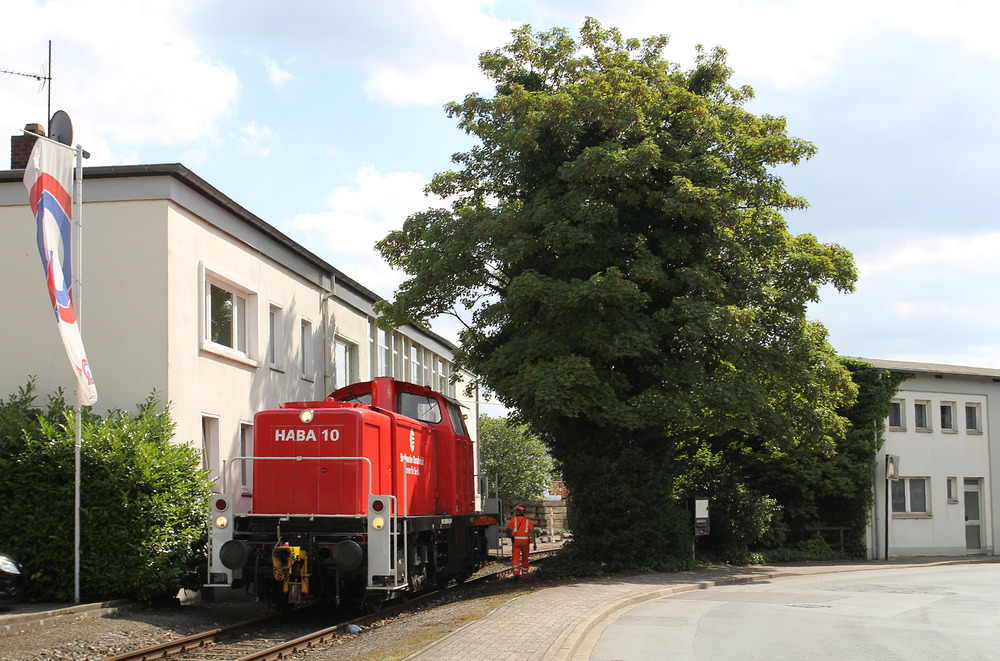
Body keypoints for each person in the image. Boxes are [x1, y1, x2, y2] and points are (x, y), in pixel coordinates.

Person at [506, 504, 537, 580]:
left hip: (516, 541)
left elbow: (508, 529)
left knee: (515, 558)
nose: (515, 512)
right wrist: (534, 543)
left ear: (518, 512)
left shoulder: (513, 520)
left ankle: (516, 574)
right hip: (526, 541)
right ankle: (525, 575)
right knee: (525, 558)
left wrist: (510, 534)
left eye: (516, 511)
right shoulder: (528, 521)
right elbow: (532, 532)